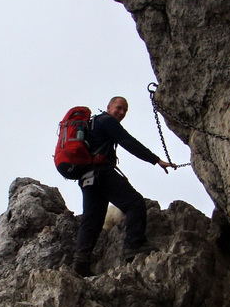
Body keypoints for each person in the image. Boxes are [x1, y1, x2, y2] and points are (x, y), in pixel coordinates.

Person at [73, 96, 173, 277]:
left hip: (87, 178)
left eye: (124, 110)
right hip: (101, 174)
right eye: (118, 108)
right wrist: (155, 160)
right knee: (134, 202)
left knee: (92, 220)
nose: (121, 112)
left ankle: (81, 263)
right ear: (108, 107)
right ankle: (134, 245)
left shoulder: (93, 123)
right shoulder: (106, 121)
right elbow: (128, 141)